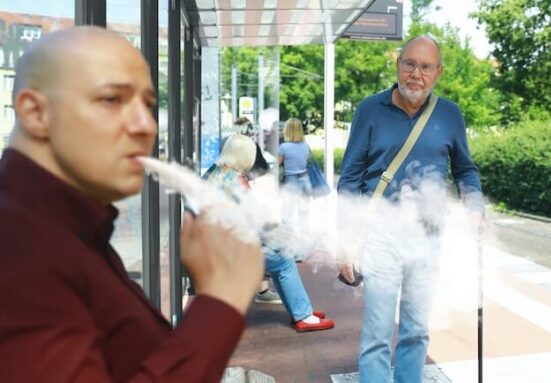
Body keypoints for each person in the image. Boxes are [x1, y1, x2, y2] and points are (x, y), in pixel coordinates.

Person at [0, 27, 264, 382]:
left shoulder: (62, 231)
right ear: (35, 113)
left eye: (148, 105)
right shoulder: (18, 247)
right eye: (112, 99)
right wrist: (221, 299)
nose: (146, 125)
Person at [336, 35, 487, 383]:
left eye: (425, 67)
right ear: (398, 65)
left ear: (438, 72)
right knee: (376, 335)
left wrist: (475, 210)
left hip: (427, 237)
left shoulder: (450, 114)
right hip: (380, 237)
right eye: (410, 64)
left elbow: (466, 169)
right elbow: (350, 180)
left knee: (416, 331)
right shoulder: (370, 110)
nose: (416, 74)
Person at [206, 134, 334, 332]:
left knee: (278, 257)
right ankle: (303, 316)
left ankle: (300, 311)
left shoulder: (215, 172)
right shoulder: (237, 181)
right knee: (283, 260)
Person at [278, 118, 313, 260]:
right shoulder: (305, 145)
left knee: (287, 217)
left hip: (291, 183)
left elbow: (277, 164)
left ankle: (289, 249)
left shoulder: (284, 147)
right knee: (303, 218)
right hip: (305, 182)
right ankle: (303, 252)